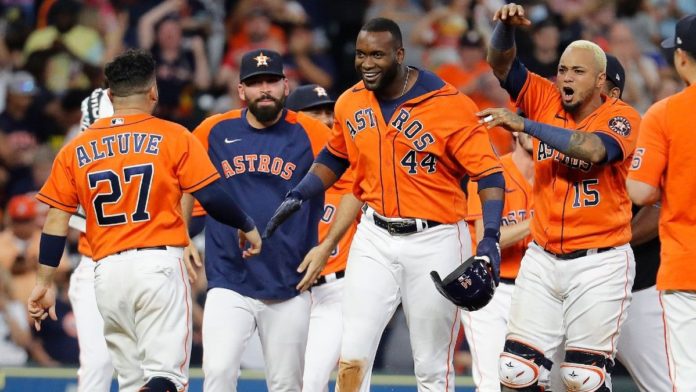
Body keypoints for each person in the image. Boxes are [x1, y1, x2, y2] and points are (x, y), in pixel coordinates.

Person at [264, 17, 506, 391]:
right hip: (373, 235)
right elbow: (335, 156)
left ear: (399, 54)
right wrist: (301, 192)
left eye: (377, 54)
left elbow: (489, 175)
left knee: (430, 363)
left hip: (436, 238)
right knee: (352, 356)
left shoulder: (450, 105)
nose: (367, 63)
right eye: (361, 55)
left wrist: (489, 237)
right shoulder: (350, 100)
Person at [27, 49, 261, 392]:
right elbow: (211, 198)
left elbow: (56, 221)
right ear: (154, 91)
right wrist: (247, 225)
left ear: (109, 95)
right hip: (158, 265)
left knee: (132, 381)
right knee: (167, 378)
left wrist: (44, 281)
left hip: (105, 273)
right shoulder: (174, 135)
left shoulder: (75, 148)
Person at [482, 3, 640, 391]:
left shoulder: (623, 117)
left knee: (582, 379)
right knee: (514, 373)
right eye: (563, 70)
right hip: (543, 255)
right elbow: (501, 64)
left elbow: (592, 150)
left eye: (578, 72)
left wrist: (525, 124)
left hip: (599, 261)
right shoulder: (544, 96)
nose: (565, 78)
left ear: (601, 81)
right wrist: (505, 30)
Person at [184, 49, 330, 392]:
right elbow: (183, 177)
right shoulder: (214, 130)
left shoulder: (311, 132)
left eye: (271, 81)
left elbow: (352, 183)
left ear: (285, 86)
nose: (264, 89)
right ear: (241, 91)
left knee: (287, 384)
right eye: (255, 83)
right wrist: (181, 232)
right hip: (228, 279)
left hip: (289, 283)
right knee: (218, 374)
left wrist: (328, 244)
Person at [549, 54, 672, 392]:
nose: (567, 85)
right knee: (564, 383)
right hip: (570, 284)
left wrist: (611, 242)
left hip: (637, 287)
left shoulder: (637, 132)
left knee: (666, 384)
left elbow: (661, 205)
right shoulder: (557, 134)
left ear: (609, 91)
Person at [626, 14, 696, 391]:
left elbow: (640, 192)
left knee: (687, 377)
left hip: (686, 266)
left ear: (682, 58)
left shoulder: (665, 113)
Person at [286, 84, 362, 391]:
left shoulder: (352, 165)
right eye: (315, 112)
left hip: (338, 288)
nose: (327, 118)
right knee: (289, 381)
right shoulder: (281, 168)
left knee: (314, 379)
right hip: (288, 294)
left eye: (329, 111)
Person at [462, 131, 534, 392]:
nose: (535, 133)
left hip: (539, 291)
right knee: (491, 383)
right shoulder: (491, 172)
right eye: (529, 125)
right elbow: (485, 238)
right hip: (491, 290)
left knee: (542, 381)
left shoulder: (556, 175)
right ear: (516, 131)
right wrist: (541, 222)